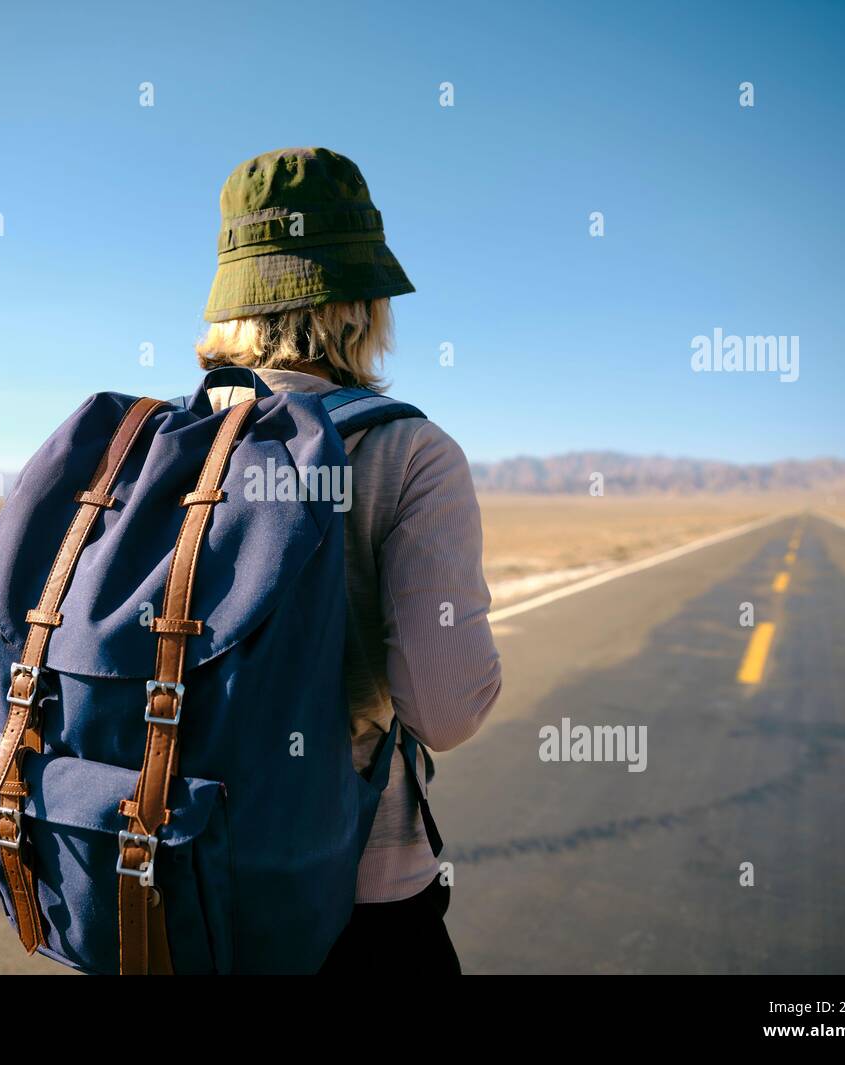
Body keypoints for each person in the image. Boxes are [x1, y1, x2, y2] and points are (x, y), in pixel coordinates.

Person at [194, 147, 502, 973]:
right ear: (362, 305)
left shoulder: (161, 448)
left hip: (177, 888)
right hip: (352, 906)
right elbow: (445, 710)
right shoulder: (410, 452)